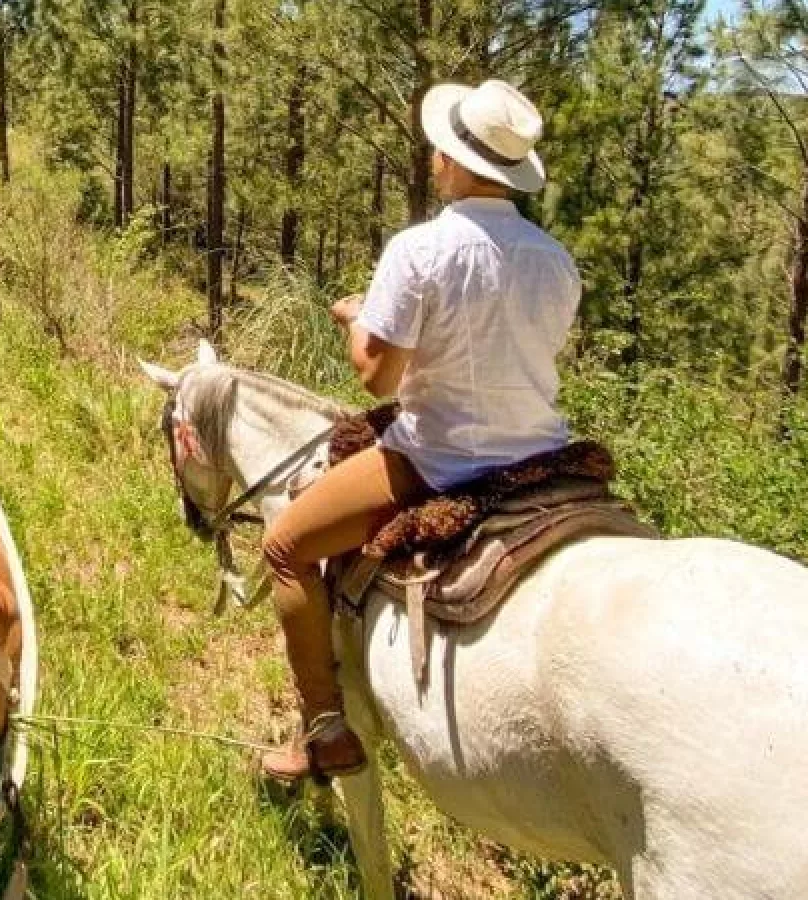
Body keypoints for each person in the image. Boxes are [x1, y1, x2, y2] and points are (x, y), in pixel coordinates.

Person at [258, 80, 583, 782]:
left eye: (440, 149)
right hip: (543, 454)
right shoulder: (556, 261)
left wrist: (355, 322)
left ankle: (324, 727)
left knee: (283, 546)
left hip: (441, 458)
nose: (433, 158)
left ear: (456, 161)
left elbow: (376, 378)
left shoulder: (421, 249)